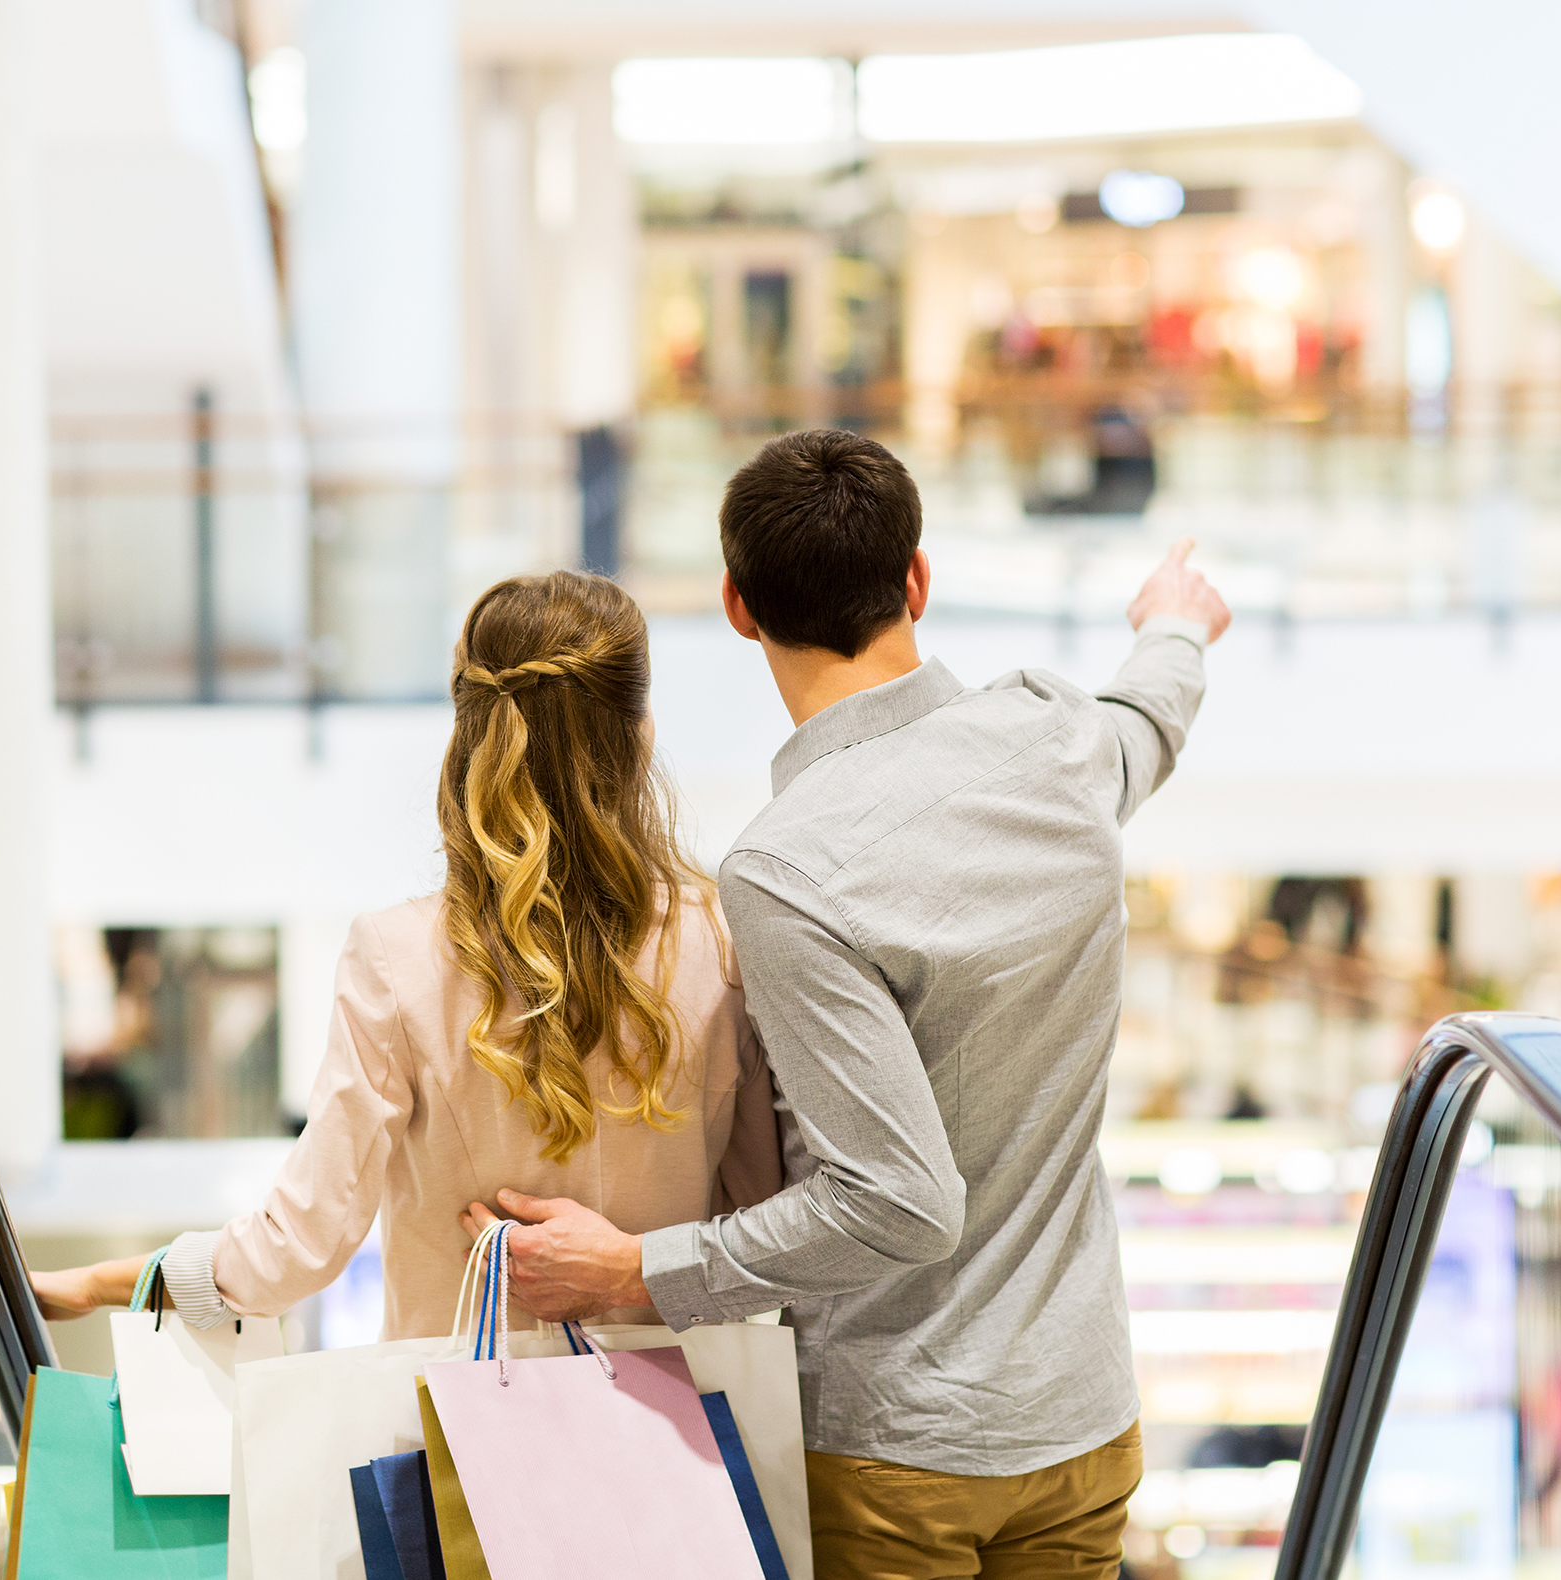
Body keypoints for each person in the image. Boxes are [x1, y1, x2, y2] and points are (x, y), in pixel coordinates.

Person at [471, 429, 1230, 1580]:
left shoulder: (786, 869)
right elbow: (1150, 718)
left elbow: (900, 1203)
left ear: (736, 606)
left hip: (898, 1452)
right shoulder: (1058, 737)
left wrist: (637, 1271)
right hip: (1083, 1419)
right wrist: (1173, 619)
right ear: (917, 578)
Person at [30, 571, 781, 1338]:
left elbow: (291, 1253)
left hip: (468, 1439)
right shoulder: (727, 939)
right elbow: (762, 1224)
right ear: (641, 728)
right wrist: (630, 1269)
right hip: (686, 1436)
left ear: (468, 734)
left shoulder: (396, 958)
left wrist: (96, 1284)